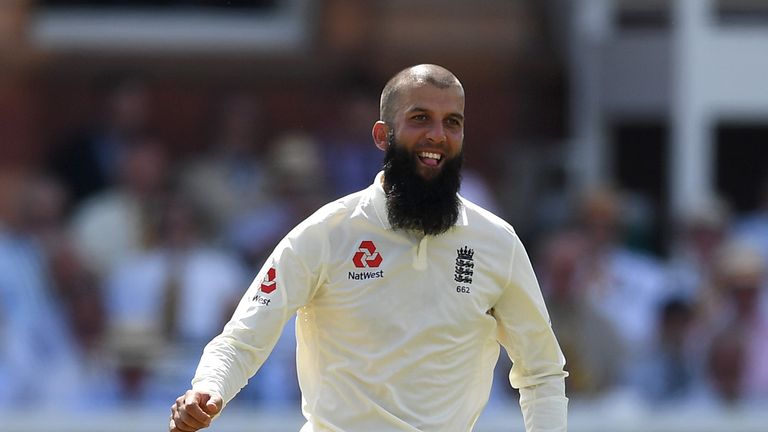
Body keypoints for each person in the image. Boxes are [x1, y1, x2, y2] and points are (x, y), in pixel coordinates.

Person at [169, 64, 568, 432]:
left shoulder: (496, 242)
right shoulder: (328, 232)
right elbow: (243, 339)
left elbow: (542, 372)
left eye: (453, 122)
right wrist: (208, 388)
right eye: (419, 119)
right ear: (382, 135)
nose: (437, 135)